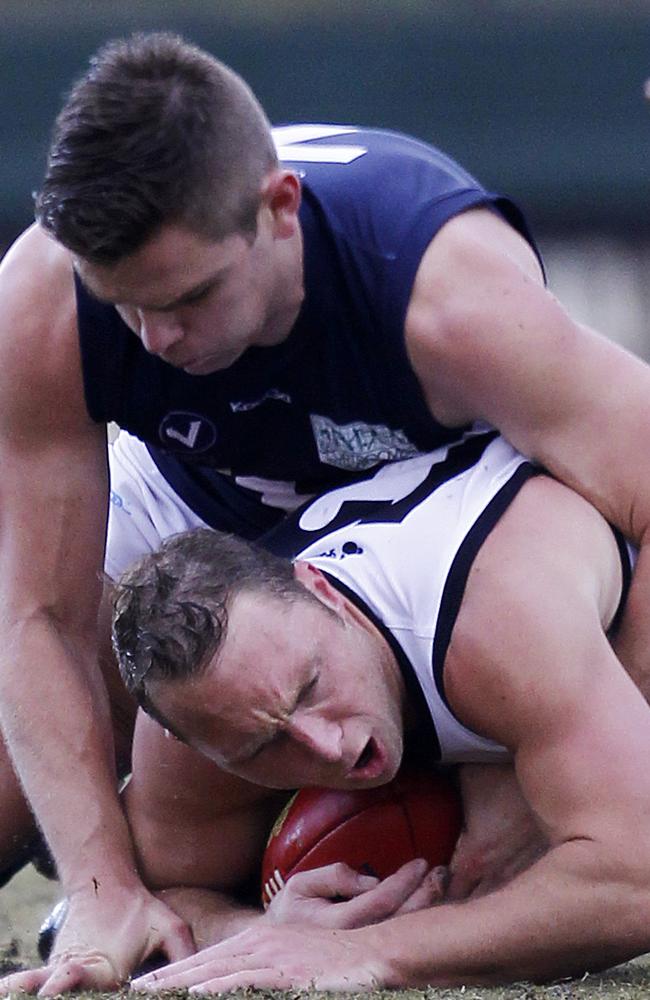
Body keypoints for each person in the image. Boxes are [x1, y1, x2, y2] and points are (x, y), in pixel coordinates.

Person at [1, 26, 650, 993]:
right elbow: (36, 617)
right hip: (194, 512)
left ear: (279, 208)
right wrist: (104, 880)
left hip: (430, 530)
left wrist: (560, 745)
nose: (158, 338)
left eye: (187, 296)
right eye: (125, 307)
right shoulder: (45, 303)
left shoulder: (448, 297)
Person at [59, 428, 650, 989]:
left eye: (311, 686)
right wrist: (260, 933)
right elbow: (167, 897)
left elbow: (635, 880)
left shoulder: (499, 624)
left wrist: (369, 952)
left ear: (319, 587)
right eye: (265, 747)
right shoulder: (204, 715)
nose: (328, 745)